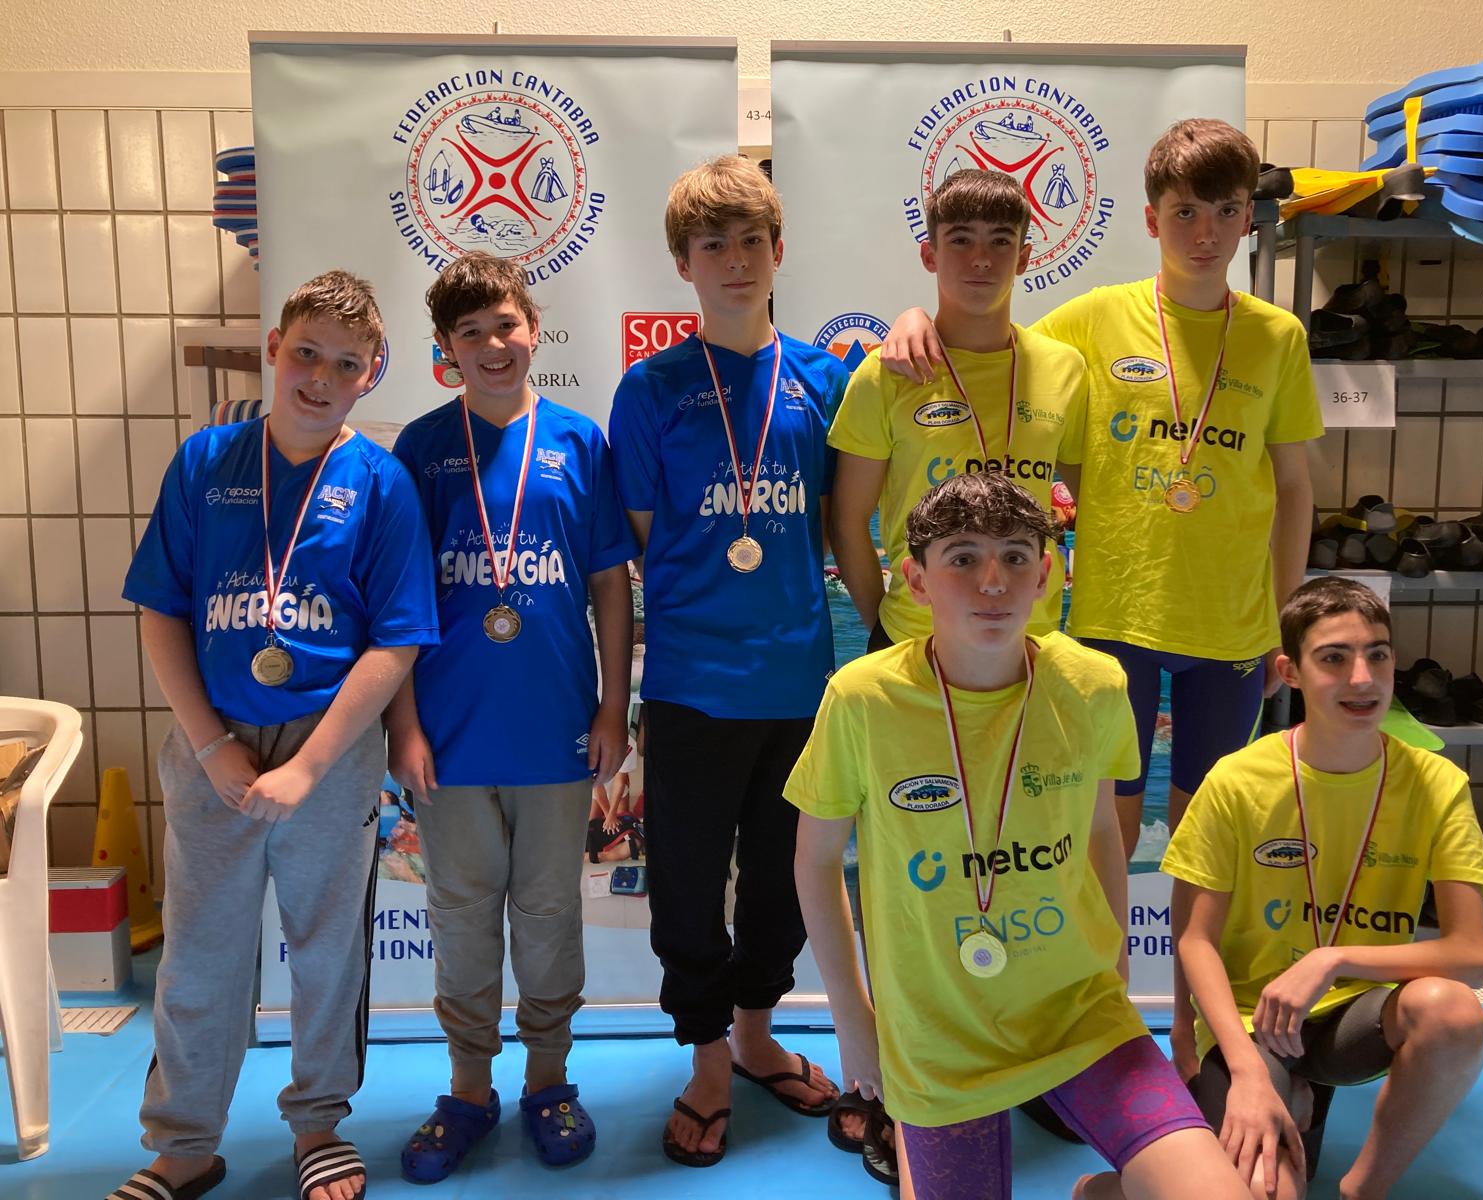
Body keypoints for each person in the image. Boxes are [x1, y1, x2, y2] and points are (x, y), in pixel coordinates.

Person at [880, 119, 1323, 1075]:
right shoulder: (1092, 320)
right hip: (1112, 620)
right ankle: (1103, 1026)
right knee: (1099, 844)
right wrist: (910, 318)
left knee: (1206, 843)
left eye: (1226, 212)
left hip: (1231, 629)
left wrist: (1286, 621)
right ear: (1153, 218)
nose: (1205, 233)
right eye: (1185, 212)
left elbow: (1294, 488)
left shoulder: (1277, 335)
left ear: (1249, 221)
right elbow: (986, 341)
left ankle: (1197, 1035)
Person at [789, 472, 1252, 1200]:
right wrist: (854, 1020)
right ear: (915, 579)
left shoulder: (1094, 685)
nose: (992, 581)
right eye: (963, 557)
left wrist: (1117, 972)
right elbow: (816, 862)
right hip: (937, 1033)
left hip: (1079, 1010)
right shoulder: (864, 698)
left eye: (1014, 556)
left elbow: (1100, 833)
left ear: (1044, 576)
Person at [112, 270, 438, 1200]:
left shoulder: (381, 483)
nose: (320, 378)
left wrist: (310, 767)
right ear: (273, 349)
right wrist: (211, 746)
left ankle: (319, 1126)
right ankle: (184, 1143)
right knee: (198, 951)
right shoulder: (205, 462)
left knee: (328, 948)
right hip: (212, 737)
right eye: (305, 354)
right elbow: (161, 610)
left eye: (346, 364)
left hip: (328, 745)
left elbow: (396, 641)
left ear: (372, 374)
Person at [607, 154, 847, 1166]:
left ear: (779, 250)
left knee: (786, 882)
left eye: (752, 240)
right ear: (683, 264)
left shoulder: (826, 380)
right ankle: (707, 1056)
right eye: (714, 244)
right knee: (689, 881)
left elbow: (839, 523)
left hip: (800, 682)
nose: (736, 260)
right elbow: (645, 536)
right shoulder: (651, 390)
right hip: (694, 685)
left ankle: (756, 1034)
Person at [383, 252, 637, 1182]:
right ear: (445, 349)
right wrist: (404, 727)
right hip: (448, 738)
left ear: (534, 329)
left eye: (505, 326)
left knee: (548, 913)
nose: (493, 345)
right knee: (459, 915)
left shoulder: (579, 441)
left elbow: (609, 584)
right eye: (470, 333)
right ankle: (467, 1089)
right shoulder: (419, 449)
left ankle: (548, 1080)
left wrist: (612, 704)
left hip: (556, 731)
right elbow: (394, 602)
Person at [1162, 577, 1483, 1200]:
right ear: (1290, 672)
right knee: (1263, 1193)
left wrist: (1333, 959)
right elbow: (1195, 938)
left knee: (1452, 1012)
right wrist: (1235, 1065)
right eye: (1334, 658)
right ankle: (1120, 1186)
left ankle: (1361, 1190)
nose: (1362, 679)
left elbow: (1472, 955)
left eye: (1377, 654)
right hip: (1251, 1024)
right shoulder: (1237, 780)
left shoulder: (1436, 783)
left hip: (1354, 1021)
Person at [828, 169, 1086, 653]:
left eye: (1001, 240)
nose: (981, 258)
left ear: (1024, 257)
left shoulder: (1065, 369)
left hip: (1030, 641)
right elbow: (847, 521)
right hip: (913, 639)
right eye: (961, 240)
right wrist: (885, 629)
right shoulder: (887, 373)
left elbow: (1091, 508)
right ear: (930, 255)